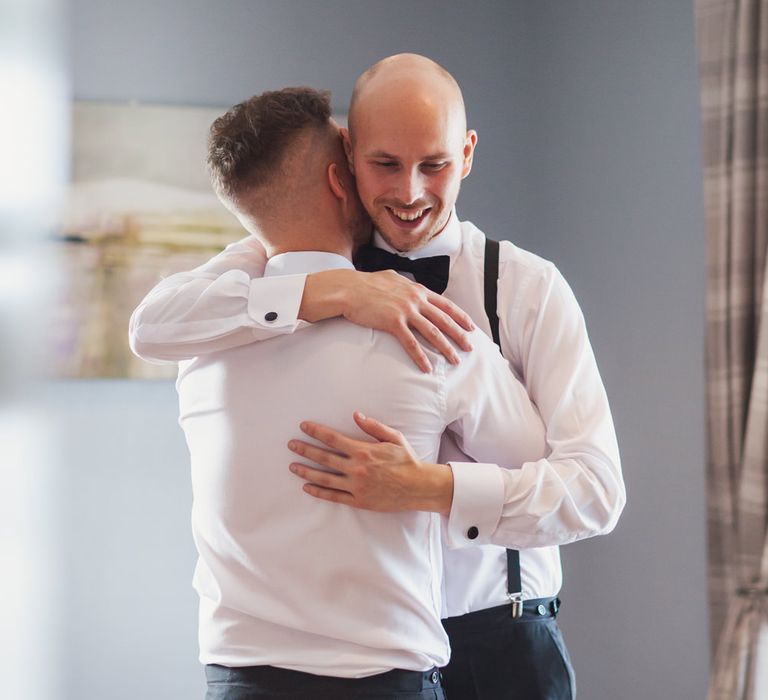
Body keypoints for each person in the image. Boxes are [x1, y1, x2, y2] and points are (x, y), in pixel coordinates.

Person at [130, 55, 625, 699]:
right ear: (347, 157)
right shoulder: (267, 263)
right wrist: (328, 291)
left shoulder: (529, 288)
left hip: (499, 643)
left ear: (468, 153)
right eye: (385, 164)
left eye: (435, 165)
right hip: (370, 663)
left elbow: (594, 491)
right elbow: (152, 326)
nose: (411, 192)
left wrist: (434, 488)